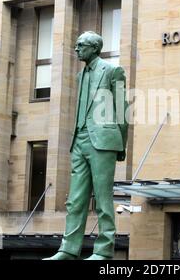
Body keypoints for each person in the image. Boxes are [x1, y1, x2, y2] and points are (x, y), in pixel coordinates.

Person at [44, 31, 128, 260]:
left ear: (94, 47)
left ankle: (103, 250)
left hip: (103, 141)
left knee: (102, 198)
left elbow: (122, 109)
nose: (76, 49)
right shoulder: (80, 75)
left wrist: (121, 145)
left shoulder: (112, 71)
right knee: (75, 200)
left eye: (80, 45)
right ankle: (68, 249)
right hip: (79, 140)